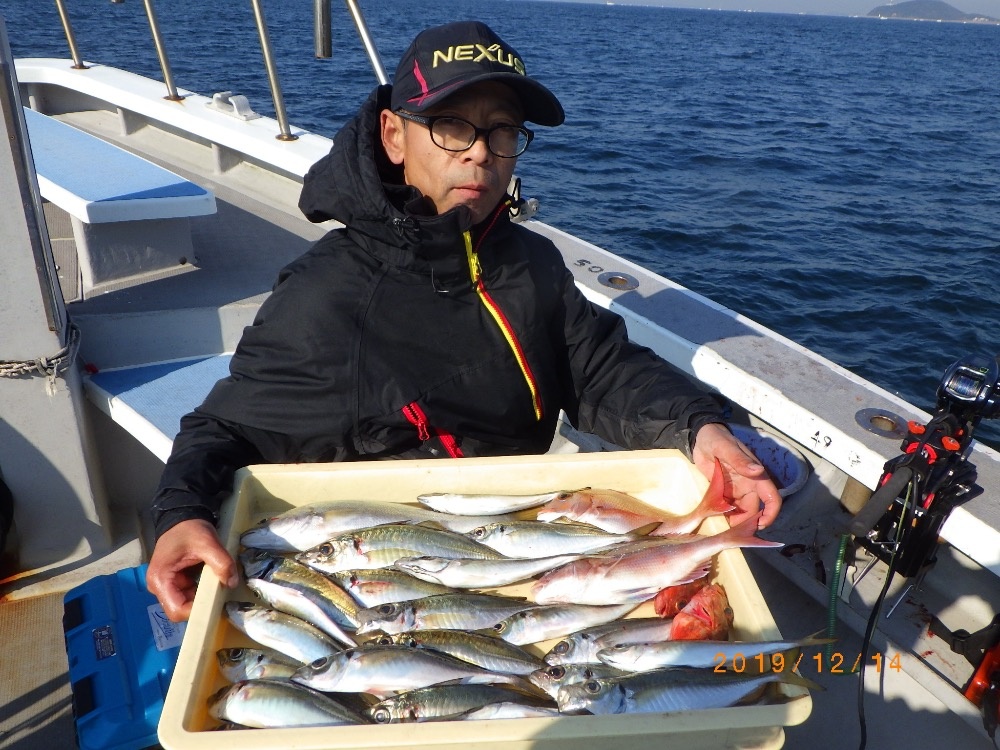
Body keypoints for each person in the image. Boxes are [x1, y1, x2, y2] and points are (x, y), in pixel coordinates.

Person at [147, 20, 782, 622]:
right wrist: (183, 515)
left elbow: (597, 369)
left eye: (502, 131)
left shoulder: (528, 259)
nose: (480, 153)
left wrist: (698, 427)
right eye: (451, 126)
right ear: (394, 136)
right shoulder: (331, 292)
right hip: (401, 570)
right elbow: (228, 428)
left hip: (520, 543)